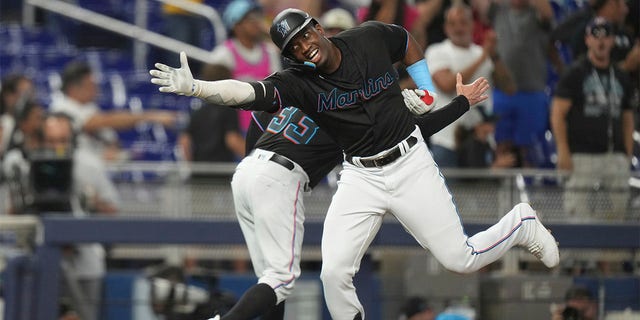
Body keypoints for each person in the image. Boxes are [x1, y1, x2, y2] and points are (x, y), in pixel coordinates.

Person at [149, 8, 559, 319]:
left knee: (460, 259)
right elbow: (245, 92)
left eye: (303, 35)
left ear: (318, 28)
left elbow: (405, 42)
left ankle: (521, 222)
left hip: (410, 164)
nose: (302, 45)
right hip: (360, 174)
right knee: (332, 274)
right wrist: (198, 87)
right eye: (292, 46)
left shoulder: (367, 39)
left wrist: (429, 88)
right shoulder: (300, 83)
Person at [550, 17, 634, 221]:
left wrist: (627, 154)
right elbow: (558, 113)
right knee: (578, 216)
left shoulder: (621, 76)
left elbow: (627, 117)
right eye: (596, 37)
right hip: (582, 157)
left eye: (606, 36)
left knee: (618, 217)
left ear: (612, 40)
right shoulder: (576, 73)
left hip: (614, 156)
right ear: (587, 40)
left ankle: (611, 254)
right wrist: (563, 151)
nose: (601, 42)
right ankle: (578, 255)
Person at [41, 112, 120, 320]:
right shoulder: (31, 165)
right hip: (42, 263)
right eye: (50, 141)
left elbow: (114, 210)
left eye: (62, 141)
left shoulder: (89, 166)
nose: (56, 147)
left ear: (73, 140)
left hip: (85, 264)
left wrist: (93, 202)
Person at [425, 2, 515, 168]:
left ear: (473, 25)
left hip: (480, 142)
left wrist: (494, 56)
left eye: (463, 22)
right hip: (446, 141)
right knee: (447, 193)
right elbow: (447, 84)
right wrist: (482, 58)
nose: (458, 28)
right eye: (452, 23)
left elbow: (509, 88)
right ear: (445, 27)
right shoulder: (436, 51)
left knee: (479, 194)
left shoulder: (485, 53)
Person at [476, 0, 556, 167]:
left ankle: (531, 190)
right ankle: (503, 189)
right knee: (501, 146)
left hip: (532, 92)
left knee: (531, 150)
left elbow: (548, 13)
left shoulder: (538, 12)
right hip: (502, 92)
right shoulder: (498, 10)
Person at [50, 60, 176, 161]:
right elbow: (101, 122)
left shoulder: (89, 107)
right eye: (91, 85)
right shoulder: (62, 107)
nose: (96, 89)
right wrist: (151, 116)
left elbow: (110, 138)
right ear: (74, 88)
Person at [210, 0, 282, 133]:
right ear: (235, 24)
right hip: (234, 130)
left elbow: (278, 92)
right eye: (250, 19)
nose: (256, 23)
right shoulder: (223, 54)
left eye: (257, 17)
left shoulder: (270, 52)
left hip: (267, 128)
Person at [177, 64, 245, 163]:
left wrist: (192, 166)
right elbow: (232, 140)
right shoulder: (228, 110)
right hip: (220, 172)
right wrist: (253, 158)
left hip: (199, 173)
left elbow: (184, 141)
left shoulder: (197, 112)